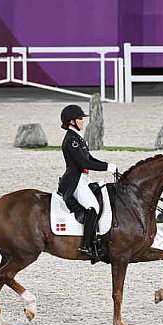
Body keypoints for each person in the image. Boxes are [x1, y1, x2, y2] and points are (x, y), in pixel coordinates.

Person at [58, 104, 117, 261]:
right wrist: (105, 167)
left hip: (84, 179)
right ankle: (86, 245)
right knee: (93, 207)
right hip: (75, 181)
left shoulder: (78, 137)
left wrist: (108, 166)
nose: (82, 121)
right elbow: (84, 163)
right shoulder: (71, 140)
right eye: (80, 119)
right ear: (71, 121)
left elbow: (89, 158)